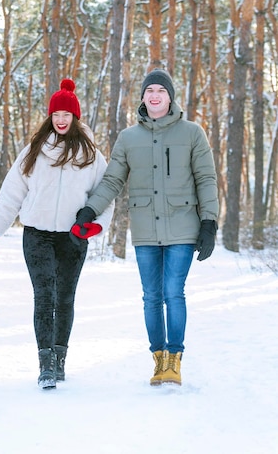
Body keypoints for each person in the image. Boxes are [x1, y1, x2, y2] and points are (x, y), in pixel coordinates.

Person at [71, 69, 219, 386]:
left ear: (170, 96)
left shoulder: (193, 133)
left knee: (172, 292)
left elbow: (206, 179)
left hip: (183, 226)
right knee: (151, 296)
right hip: (145, 228)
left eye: (160, 91)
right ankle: (158, 360)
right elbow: (112, 181)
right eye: (149, 90)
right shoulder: (128, 138)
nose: (154, 95)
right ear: (142, 96)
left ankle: (174, 361)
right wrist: (90, 209)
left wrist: (209, 222)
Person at [0, 78, 114, 390]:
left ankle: (60, 358)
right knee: (44, 295)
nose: (61, 120)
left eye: (67, 114)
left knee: (65, 297)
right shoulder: (34, 151)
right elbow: (12, 193)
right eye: (56, 114)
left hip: (72, 237)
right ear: (50, 117)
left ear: (75, 118)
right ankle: (46, 365)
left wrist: (94, 225)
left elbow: (105, 196)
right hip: (37, 235)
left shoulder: (91, 156)